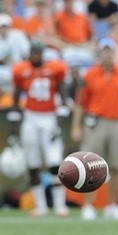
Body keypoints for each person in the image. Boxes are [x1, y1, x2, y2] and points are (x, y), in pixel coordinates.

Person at [71, 38, 118, 220]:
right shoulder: (90, 75)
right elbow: (80, 103)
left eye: (110, 50)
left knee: (117, 166)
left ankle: (111, 205)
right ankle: (88, 205)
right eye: (104, 51)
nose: (107, 54)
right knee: (90, 165)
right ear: (100, 53)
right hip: (96, 122)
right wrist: (76, 126)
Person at [11, 42, 70, 217]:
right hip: (30, 117)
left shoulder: (54, 69)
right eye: (33, 52)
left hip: (49, 117)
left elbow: (62, 91)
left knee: (55, 162)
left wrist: (62, 113)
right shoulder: (21, 70)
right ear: (29, 53)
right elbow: (16, 95)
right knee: (33, 163)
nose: (35, 55)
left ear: (43, 53)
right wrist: (14, 127)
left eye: (38, 52)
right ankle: (41, 205)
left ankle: (60, 204)